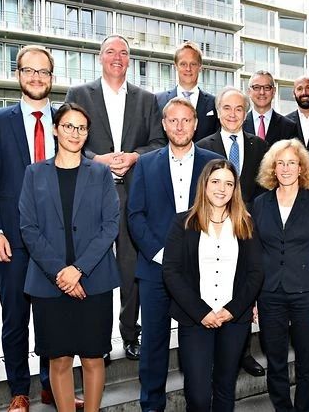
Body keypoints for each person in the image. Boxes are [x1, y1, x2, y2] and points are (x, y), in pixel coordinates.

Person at [0, 45, 83, 411]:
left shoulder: (66, 121)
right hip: (13, 240)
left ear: (52, 77)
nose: (36, 77)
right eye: (29, 70)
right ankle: (19, 391)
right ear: (18, 74)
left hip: (57, 243)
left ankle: (52, 386)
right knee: (16, 318)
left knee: (54, 319)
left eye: (43, 71)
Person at [65, 34, 166, 362]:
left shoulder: (147, 99)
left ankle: (130, 334)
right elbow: (68, 137)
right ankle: (96, 341)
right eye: (110, 51)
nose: (117, 57)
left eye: (123, 52)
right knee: (91, 267)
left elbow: (158, 143)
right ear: (100, 57)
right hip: (92, 193)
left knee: (130, 269)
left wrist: (134, 157)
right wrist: (97, 159)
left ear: (129, 59)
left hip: (133, 194)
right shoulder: (79, 94)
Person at [18, 103, 120, 412]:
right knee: (59, 359)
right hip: (49, 284)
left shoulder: (100, 173)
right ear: (55, 129)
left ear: (87, 133)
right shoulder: (34, 173)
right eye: (68, 126)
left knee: (92, 357)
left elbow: (110, 225)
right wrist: (61, 273)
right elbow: (29, 228)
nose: (75, 133)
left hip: (94, 281)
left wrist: (78, 269)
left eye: (81, 128)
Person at [127, 97, 223, 412]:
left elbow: (224, 211)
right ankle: (151, 406)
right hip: (154, 269)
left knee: (197, 346)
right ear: (164, 124)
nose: (179, 127)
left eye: (186, 120)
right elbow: (135, 215)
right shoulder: (145, 164)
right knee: (153, 344)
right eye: (173, 120)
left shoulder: (214, 162)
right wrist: (160, 254)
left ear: (196, 124)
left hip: (201, 271)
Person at [162, 159, 264, 411]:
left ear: (235, 189)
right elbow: (171, 271)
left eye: (229, 184)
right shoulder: (183, 222)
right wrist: (201, 312)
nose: (222, 188)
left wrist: (232, 310)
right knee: (197, 394)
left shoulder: (245, 222)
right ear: (204, 184)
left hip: (234, 319)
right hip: (195, 319)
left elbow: (256, 272)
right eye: (216, 181)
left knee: (225, 387)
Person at [252, 138, 309, 412]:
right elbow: (254, 254)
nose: (286, 168)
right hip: (269, 294)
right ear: (273, 168)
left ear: (301, 168)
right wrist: (252, 298)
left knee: (307, 362)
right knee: (275, 361)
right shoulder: (260, 203)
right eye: (281, 163)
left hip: (307, 294)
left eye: (292, 163)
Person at [196, 86, 269, 377]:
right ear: (218, 111)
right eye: (227, 108)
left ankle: (243, 353)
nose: (233, 114)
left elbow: (265, 189)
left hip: (247, 229)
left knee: (243, 289)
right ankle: (213, 350)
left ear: (246, 113)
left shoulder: (259, 146)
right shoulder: (203, 146)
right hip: (213, 228)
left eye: (239, 109)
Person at [156, 41, 220, 141]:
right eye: (183, 64)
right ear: (176, 66)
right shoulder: (158, 101)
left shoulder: (214, 103)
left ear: (200, 67)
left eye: (193, 64)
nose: (188, 68)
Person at [242, 70, 298, 145]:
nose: (262, 92)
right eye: (256, 87)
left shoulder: (289, 127)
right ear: (249, 91)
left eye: (267, 87)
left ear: (274, 91)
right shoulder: (240, 124)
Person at [286, 75, 309, 150]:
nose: (304, 92)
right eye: (299, 89)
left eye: (308, 88)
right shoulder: (285, 122)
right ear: (294, 94)